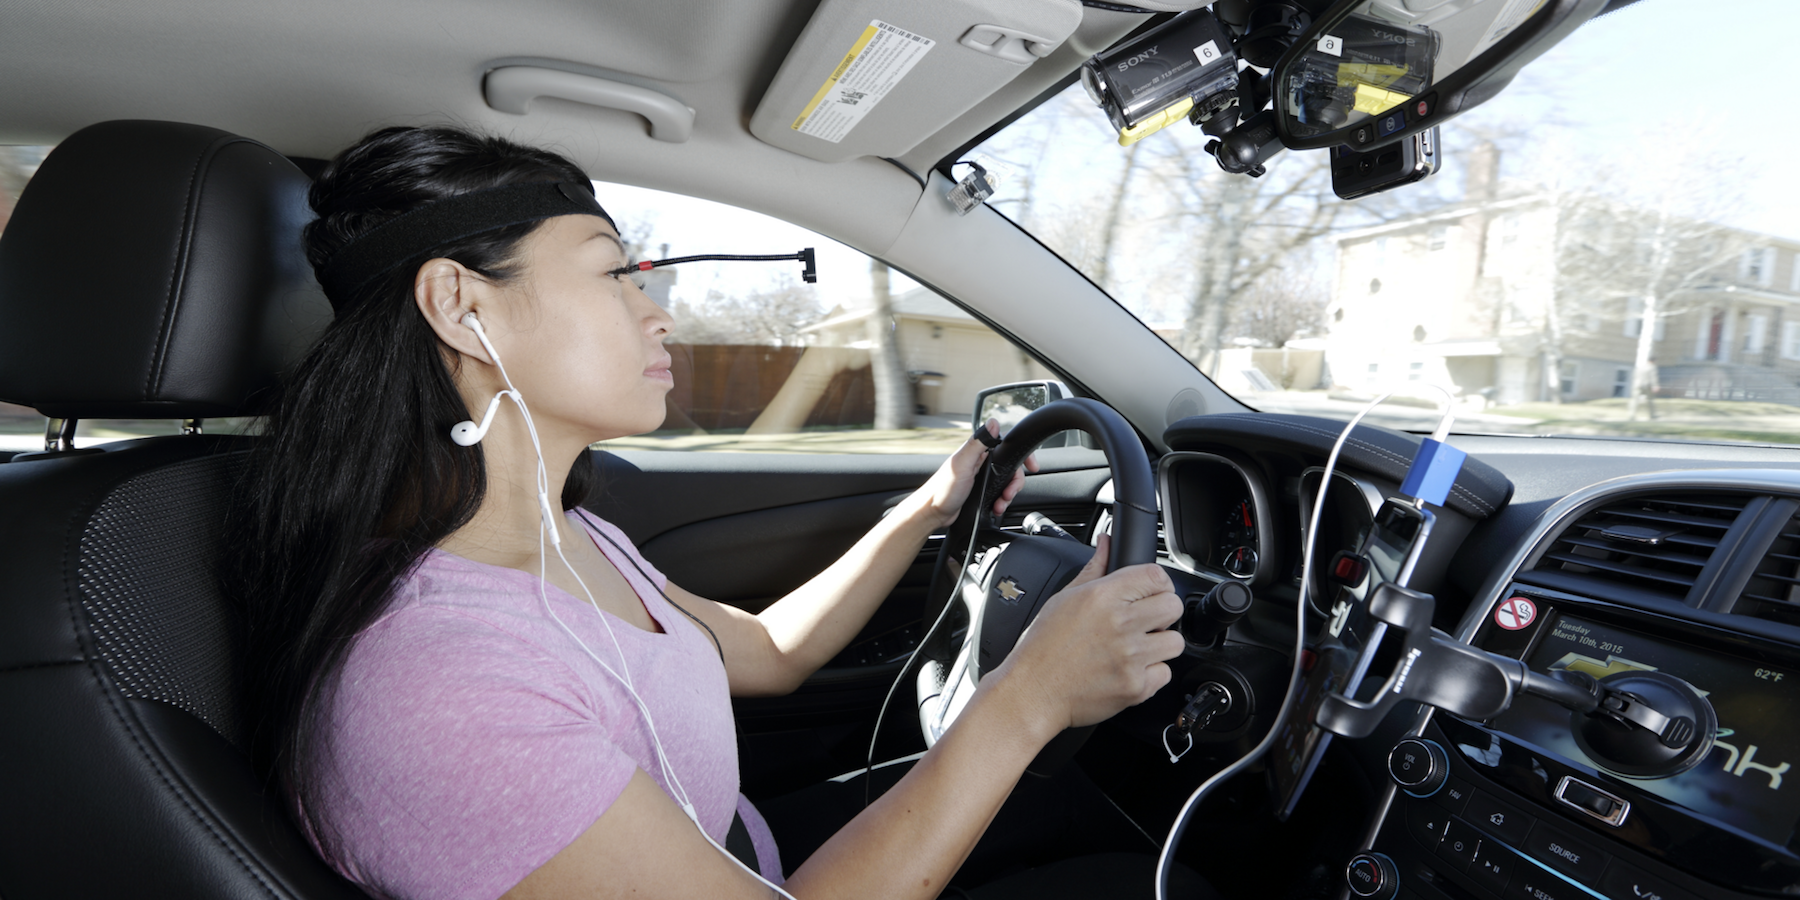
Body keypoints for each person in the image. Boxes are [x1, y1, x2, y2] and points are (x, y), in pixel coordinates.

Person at [233, 125, 1191, 900]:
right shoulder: (435, 688)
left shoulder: (567, 536)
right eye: (616, 275)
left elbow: (769, 655)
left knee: (1090, 818)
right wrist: (1026, 700)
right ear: (459, 305)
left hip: (743, 852)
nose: (659, 314)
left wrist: (930, 509)